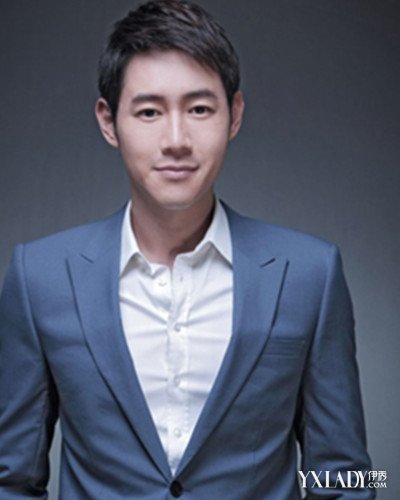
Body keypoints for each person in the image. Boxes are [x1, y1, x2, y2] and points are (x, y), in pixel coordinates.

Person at [0, 1, 374, 498]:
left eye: (199, 109)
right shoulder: (39, 277)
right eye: (149, 112)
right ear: (109, 122)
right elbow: (9, 478)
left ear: (234, 115)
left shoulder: (311, 273)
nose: (176, 140)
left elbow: (346, 477)